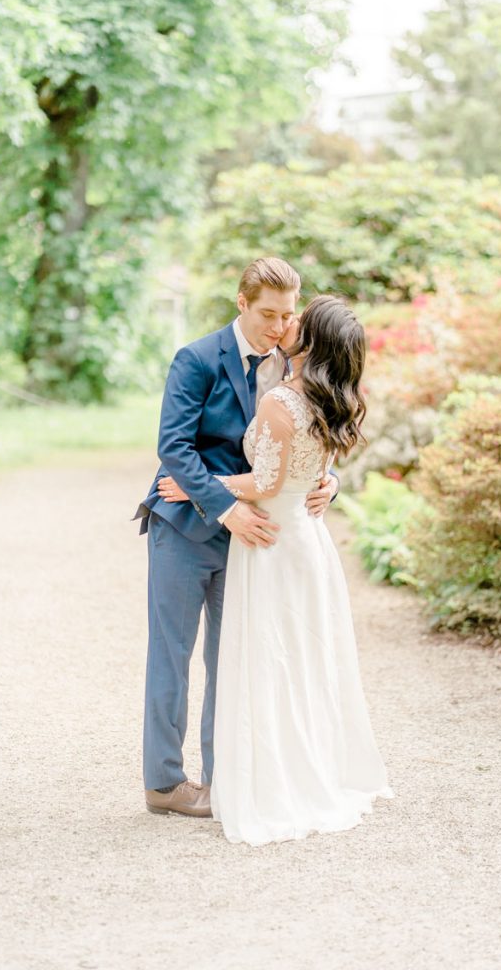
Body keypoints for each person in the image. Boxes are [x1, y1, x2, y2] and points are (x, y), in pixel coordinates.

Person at [158, 295, 392, 845]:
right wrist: (321, 479)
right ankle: (290, 768)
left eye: (297, 320)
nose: (286, 325)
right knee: (299, 660)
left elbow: (266, 483)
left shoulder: (284, 399)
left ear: (308, 338)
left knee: (268, 658)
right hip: (305, 544)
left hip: (272, 541)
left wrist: (205, 489)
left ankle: (268, 780)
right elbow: (308, 463)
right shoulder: (331, 395)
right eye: (279, 316)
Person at [134, 258, 337, 817]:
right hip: (184, 527)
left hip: (253, 540)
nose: (277, 326)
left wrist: (329, 483)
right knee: (171, 656)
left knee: (233, 660)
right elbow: (174, 448)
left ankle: (225, 779)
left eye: (287, 315)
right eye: (267, 314)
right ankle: (164, 784)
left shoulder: (290, 365)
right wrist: (227, 508)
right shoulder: (196, 358)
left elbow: (309, 439)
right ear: (241, 303)